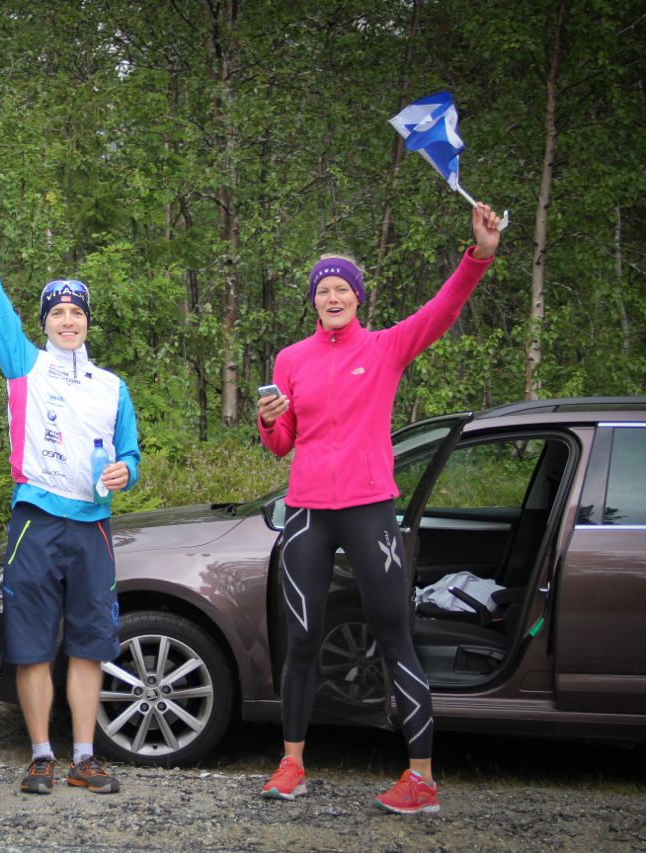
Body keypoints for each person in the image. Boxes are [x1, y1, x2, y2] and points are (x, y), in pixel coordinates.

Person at [257, 202, 504, 815]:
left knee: (394, 633)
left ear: (358, 297)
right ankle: (292, 763)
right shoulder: (291, 359)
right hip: (308, 512)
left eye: (343, 288)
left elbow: (441, 311)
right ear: (314, 300)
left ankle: (420, 778)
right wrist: (268, 423)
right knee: (303, 639)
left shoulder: (388, 347)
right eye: (324, 290)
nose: (333, 297)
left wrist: (480, 255)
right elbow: (283, 442)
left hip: (370, 509)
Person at [0, 177, 141, 796]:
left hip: (93, 525)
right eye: (56, 312)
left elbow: (131, 452)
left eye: (75, 311)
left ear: (87, 321)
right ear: (44, 323)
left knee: (88, 643)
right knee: (30, 644)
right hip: (34, 519)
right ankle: (40, 755)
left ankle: (84, 755)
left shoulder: (113, 386)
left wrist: (125, 472)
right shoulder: (23, 365)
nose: (66, 320)